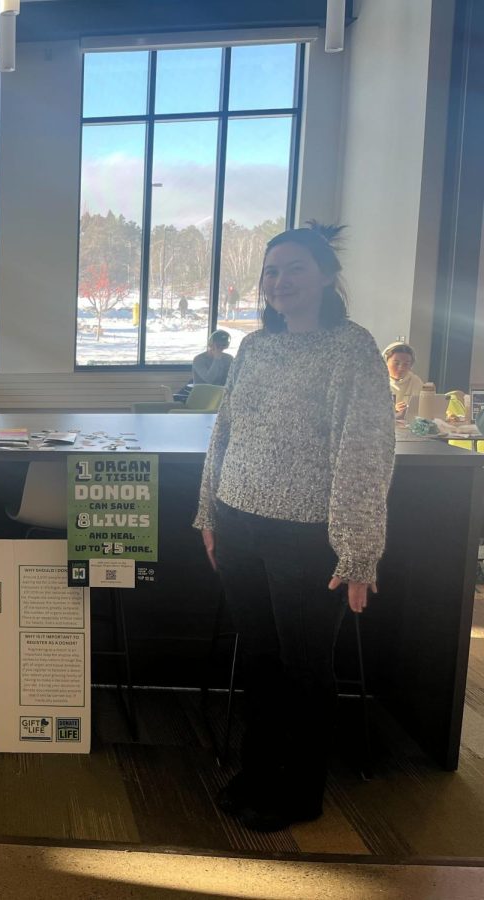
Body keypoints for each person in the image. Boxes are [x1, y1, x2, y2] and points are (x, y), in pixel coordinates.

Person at [194, 223, 395, 832]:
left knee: (305, 667)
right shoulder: (256, 347)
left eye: (295, 270)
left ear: (327, 278)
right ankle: (258, 771)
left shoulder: (352, 348)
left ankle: (299, 791)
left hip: (307, 537)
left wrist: (358, 551)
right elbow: (225, 432)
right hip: (237, 523)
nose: (280, 282)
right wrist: (208, 511)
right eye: (272, 271)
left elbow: (364, 452)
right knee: (258, 658)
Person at [382, 341, 423, 419]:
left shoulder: (415, 382)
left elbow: (423, 410)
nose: (401, 368)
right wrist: (392, 410)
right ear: (385, 362)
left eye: (406, 364)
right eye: (396, 363)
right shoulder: (378, 381)